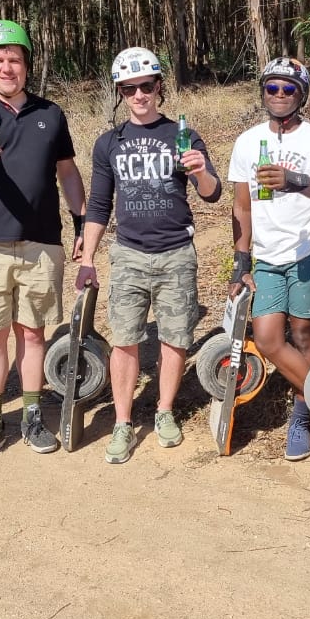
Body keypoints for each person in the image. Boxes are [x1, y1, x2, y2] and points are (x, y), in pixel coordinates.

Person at [0, 19, 87, 465]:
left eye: (15, 59)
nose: (7, 67)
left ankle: (30, 414)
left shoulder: (51, 114)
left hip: (42, 242)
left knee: (33, 332)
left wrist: (82, 222)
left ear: (27, 65)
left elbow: (67, 171)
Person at [76, 46, 222, 464]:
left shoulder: (184, 135)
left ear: (160, 87)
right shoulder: (109, 143)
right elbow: (99, 204)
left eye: (146, 86)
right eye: (129, 88)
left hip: (177, 253)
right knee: (125, 341)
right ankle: (123, 422)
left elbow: (212, 195)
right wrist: (88, 259)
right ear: (120, 92)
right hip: (129, 255)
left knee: (176, 338)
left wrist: (200, 170)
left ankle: (163, 412)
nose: (139, 95)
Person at [226, 58, 310, 461]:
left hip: (309, 250)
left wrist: (294, 181)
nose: (278, 96)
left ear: (301, 94)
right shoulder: (247, 142)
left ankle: (303, 416)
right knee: (270, 338)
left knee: (304, 334)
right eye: (272, 88)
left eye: (287, 89)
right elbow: (242, 207)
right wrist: (242, 262)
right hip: (268, 256)